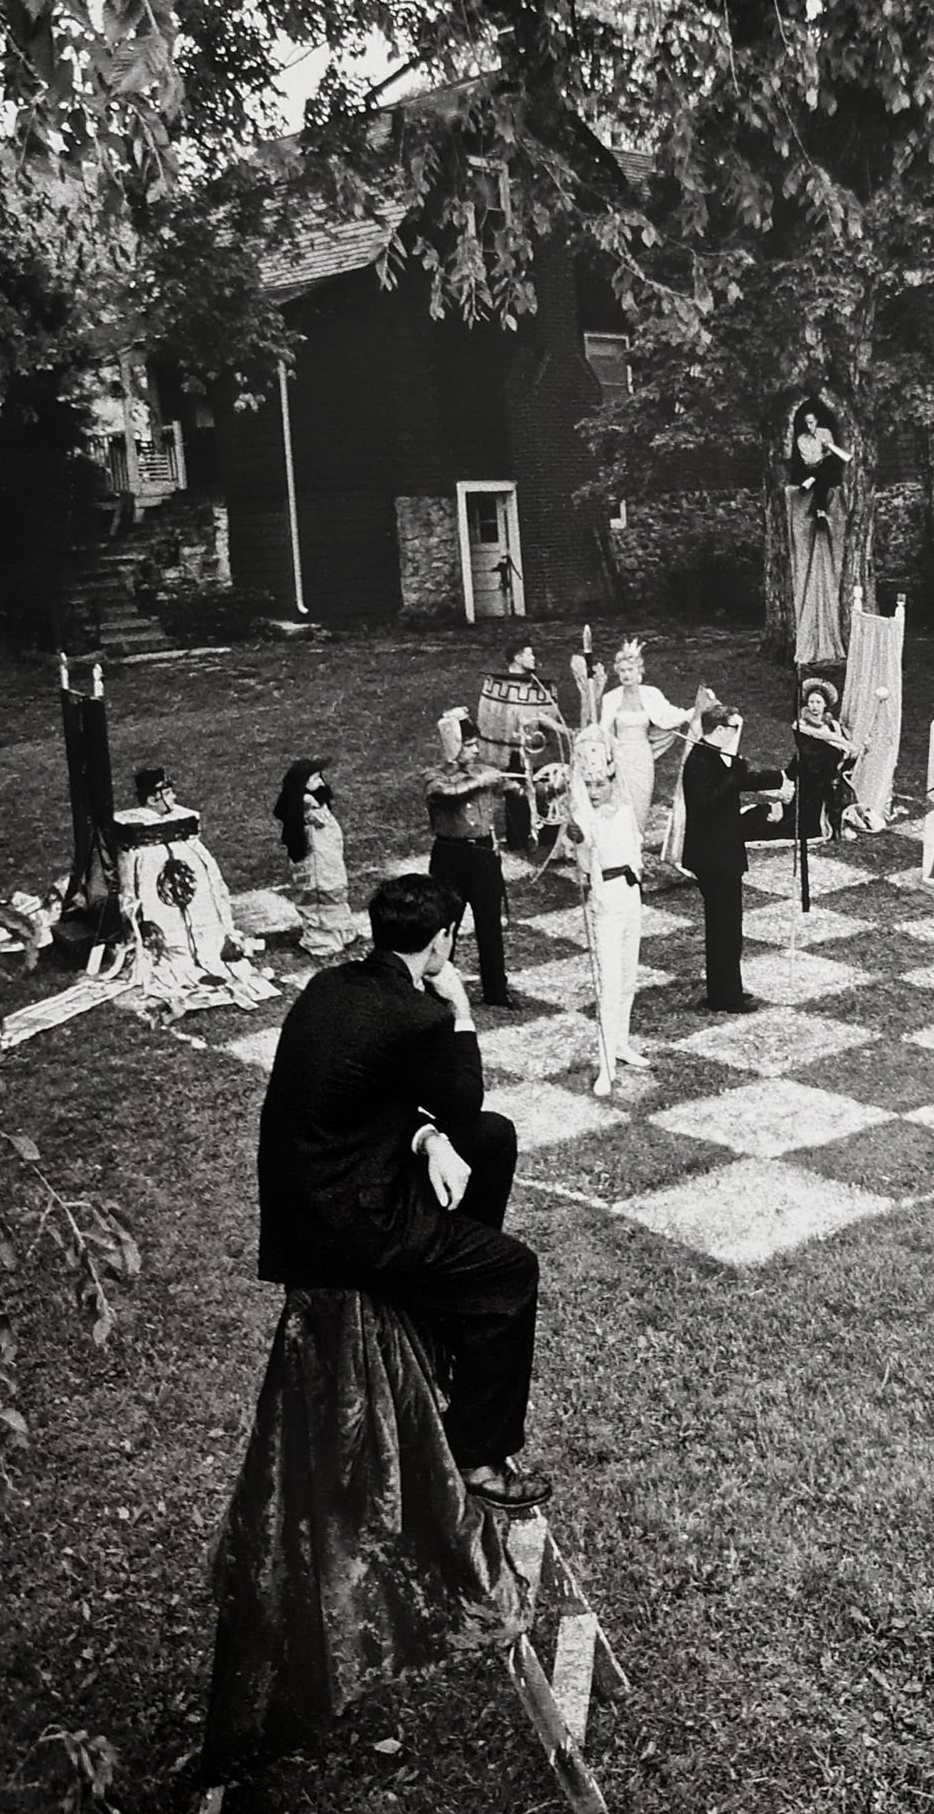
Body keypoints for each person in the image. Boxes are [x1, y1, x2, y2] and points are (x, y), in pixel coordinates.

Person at [256, 873, 549, 1511]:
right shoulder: (417, 1014)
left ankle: (443, 1305)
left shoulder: (329, 986)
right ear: (441, 941)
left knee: (490, 1139)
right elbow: (463, 1093)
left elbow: (368, 1098)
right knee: (512, 1271)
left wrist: (426, 1139)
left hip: (308, 1202)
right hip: (348, 1227)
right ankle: (478, 1457)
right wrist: (460, 1009)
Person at [113, 764, 271, 1014]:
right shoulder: (141, 851)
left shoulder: (181, 824)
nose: (174, 797)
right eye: (168, 792)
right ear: (155, 798)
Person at [679, 703, 789, 1012]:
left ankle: (728, 990)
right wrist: (735, 776)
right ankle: (724, 997)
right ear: (720, 730)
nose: (736, 734)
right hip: (713, 858)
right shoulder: (700, 761)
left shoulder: (715, 758)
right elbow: (707, 803)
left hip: (723, 854)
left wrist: (779, 778)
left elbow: (741, 781)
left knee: (728, 926)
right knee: (723, 927)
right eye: (734, 728)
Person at [565, 726, 647, 1098]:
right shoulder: (586, 817)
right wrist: (576, 833)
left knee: (629, 977)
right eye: (590, 784)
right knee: (609, 985)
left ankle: (622, 1044)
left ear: (612, 780)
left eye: (601, 783)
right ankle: (605, 1063)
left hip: (632, 899)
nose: (596, 790)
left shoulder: (625, 810)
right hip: (606, 904)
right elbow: (580, 843)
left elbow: (635, 852)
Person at [425, 708, 516, 1008]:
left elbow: (513, 787)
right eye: (469, 745)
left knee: (489, 925)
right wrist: (481, 781)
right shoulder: (434, 776)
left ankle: (496, 992)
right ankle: (437, 991)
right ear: (454, 748)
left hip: (484, 856)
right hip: (450, 857)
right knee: (445, 925)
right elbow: (446, 794)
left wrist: (527, 785)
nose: (476, 750)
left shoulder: (483, 770)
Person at [743, 677, 861, 843]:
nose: (814, 706)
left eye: (818, 702)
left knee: (837, 792)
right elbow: (811, 753)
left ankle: (839, 825)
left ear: (825, 704)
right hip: (810, 776)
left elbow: (846, 748)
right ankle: (828, 827)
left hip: (830, 774)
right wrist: (839, 754)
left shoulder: (834, 726)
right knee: (805, 818)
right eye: (811, 702)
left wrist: (849, 753)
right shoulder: (802, 725)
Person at [477, 642, 564, 854]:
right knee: (515, 792)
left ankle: (547, 838)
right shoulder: (501, 684)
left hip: (537, 749)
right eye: (529, 654)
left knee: (544, 788)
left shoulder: (539, 685)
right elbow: (500, 718)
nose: (533, 658)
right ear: (517, 658)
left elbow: (546, 715)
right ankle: (518, 840)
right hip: (510, 749)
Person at [599, 638, 692, 837]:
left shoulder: (651, 694)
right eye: (622, 670)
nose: (626, 675)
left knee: (640, 804)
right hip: (620, 757)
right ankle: (619, 847)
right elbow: (604, 730)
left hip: (642, 757)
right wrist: (609, 758)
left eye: (630, 670)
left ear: (639, 671)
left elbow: (669, 716)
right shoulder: (611, 698)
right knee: (620, 804)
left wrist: (691, 714)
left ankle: (636, 846)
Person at [783, 400, 852, 665]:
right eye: (808, 422)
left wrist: (826, 448)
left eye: (814, 422)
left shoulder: (826, 434)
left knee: (830, 468)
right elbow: (808, 459)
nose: (811, 426)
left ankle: (821, 509)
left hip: (822, 474)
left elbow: (832, 457)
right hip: (810, 470)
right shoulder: (802, 439)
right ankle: (818, 506)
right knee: (818, 471)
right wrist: (817, 460)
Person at [273, 757, 358, 957]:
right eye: (316, 778)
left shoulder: (311, 800)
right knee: (321, 894)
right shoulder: (305, 803)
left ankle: (340, 931)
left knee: (333, 890)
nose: (321, 782)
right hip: (316, 861)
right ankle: (322, 940)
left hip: (327, 857)